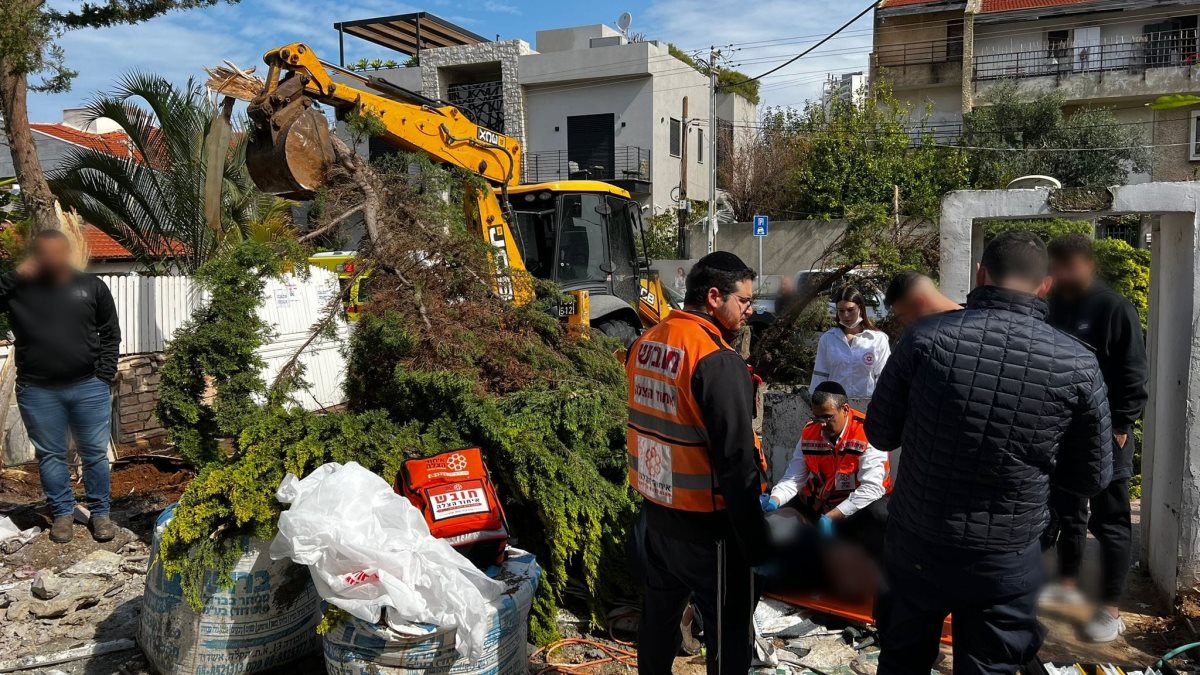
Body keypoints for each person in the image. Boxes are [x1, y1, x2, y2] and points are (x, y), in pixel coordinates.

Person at [864, 231, 1113, 675]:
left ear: (981, 275)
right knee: (990, 666)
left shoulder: (924, 339)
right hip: (1007, 555)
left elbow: (880, 433)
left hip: (918, 542)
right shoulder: (1077, 363)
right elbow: (1091, 478)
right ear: (1045, 285)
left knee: (902, 659)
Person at [627, 251, 773, 675]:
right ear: (713, 297)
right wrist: (755, 543)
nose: (750, 310)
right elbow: (737, 463)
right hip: (710, 532)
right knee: (729, 635)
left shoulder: (647, 341)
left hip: (658, 517)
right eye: (743, 301)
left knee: (659, 621)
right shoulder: (716, 360)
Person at [1042, 233, 1148, 643]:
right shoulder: (1052, 307)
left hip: (1107, 432)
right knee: (1067, 514)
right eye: (1055, 266)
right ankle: (1068, 586)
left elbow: (1132, 372)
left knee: (1110, 519)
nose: (1060, 274)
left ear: (1087, 265)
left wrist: (1121, 424)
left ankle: (1111, 609)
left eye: (1067, 266)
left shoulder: (1114, 307)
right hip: (1062, 430)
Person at [0, 230, 121, 544]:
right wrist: (15, 275)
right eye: (44, 253)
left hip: (89, 386)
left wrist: (104, 375)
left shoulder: (92, 286)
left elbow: (110, 333)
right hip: (38, 390)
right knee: (51, 456)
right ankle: (63, 514)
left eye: (57, 252)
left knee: (94, 454)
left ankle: (101, 514)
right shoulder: (18, 290)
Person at [764, 381, 891, 559]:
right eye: (817, 418)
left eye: (827, 417)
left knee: (878, 515)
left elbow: (872, 488)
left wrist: (832, 516)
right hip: (822, 500)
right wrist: (774, 500)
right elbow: (794, 477)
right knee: (775, 519)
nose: (822, 424)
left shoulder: (867, 432)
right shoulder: (810, 432)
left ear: (845, 409)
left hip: (860, 505)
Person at [811, 286, 890, 397]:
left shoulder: (878, 339)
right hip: (835, 404)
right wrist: (814, 400)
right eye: (841, 311)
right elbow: (820, 376)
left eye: (850, 310)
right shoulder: (828, 339)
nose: (846, 315)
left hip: (867, 403)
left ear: (860, 308)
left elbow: (884, 378)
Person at [882, 270, 962, 327]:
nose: (903, 323)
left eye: (902, 316)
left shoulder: (921, 339)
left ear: (918, 302)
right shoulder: (969, 316)